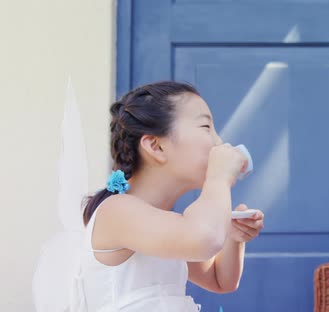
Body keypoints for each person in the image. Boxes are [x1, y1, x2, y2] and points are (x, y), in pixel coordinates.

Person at [44, 81, 264, 311]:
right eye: (206, 127)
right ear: (155, 146)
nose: (218, 142)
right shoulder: (117, 211)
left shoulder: (169, 225)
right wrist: (219, 177)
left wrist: (233, 238)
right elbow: (204, 239)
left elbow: (220, 280)